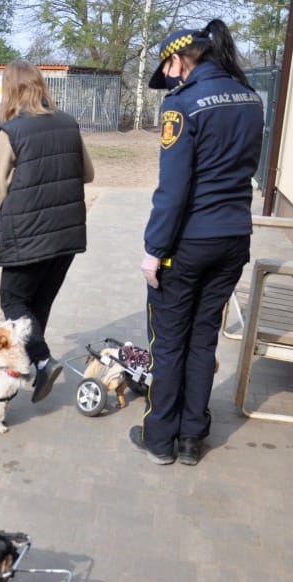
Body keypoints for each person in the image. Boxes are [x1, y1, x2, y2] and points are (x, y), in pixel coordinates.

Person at [129, 19, 264, 465]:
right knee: (203, 340)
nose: (167, 79)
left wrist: (153, 250)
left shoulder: (182, 106)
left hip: (187, 244)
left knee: (168, 343)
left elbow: (173, 190)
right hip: (233, 239)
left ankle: (160, 439)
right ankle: (192, 438)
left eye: (167, 70)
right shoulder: (250, 99)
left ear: (179, 60)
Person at [0, 60, 94, 403]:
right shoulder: (69, 123)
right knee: (38, 305)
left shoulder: (12, 131)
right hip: (65, 237)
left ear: (10, 90)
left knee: (12, 299)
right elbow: (87, 173)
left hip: (27, 236)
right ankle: (38, 367)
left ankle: (40, 360)